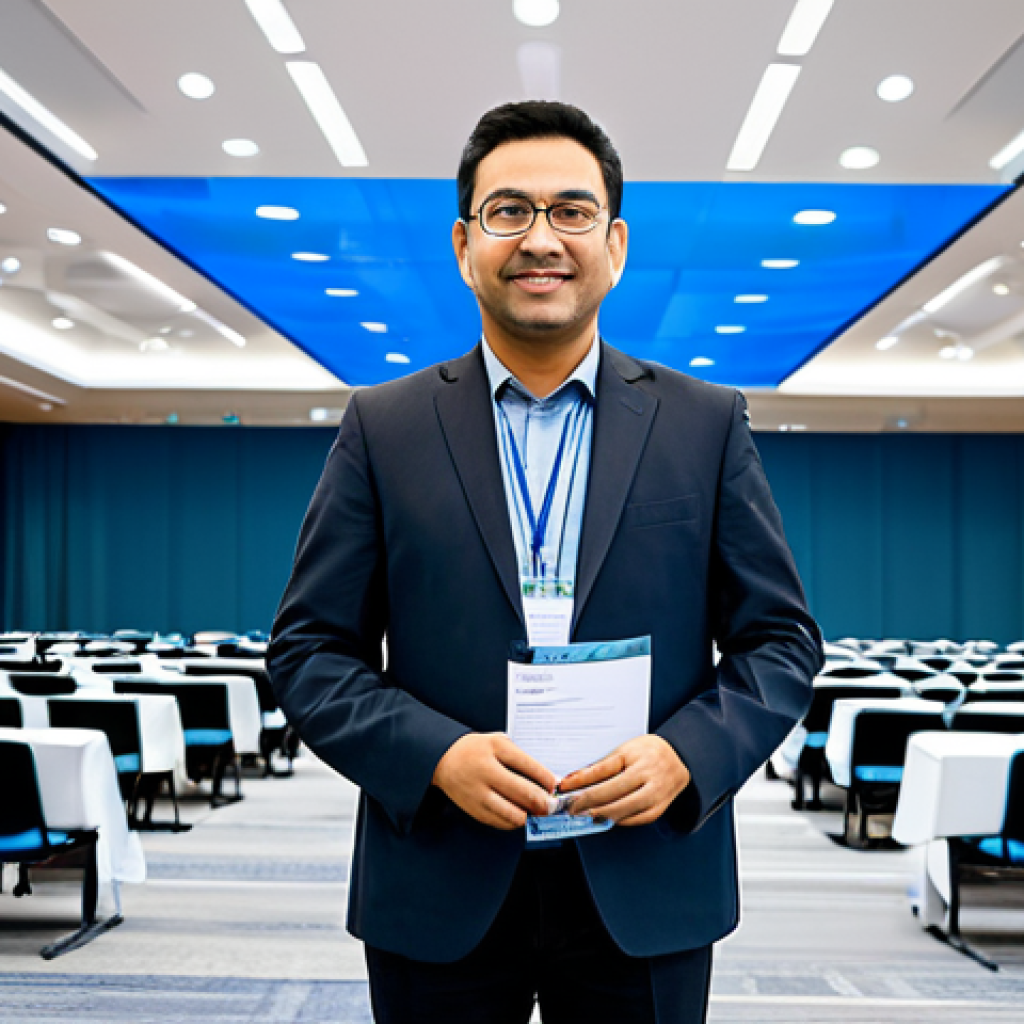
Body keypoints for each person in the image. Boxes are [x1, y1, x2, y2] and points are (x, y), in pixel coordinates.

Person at [268, 100, 822, 1024]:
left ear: (615, 244)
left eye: (570, 212)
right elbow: (309, 652)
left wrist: (687, 756)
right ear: (463, 243)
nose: (540, 239)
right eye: (508, 211)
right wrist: (437, 756)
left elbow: (780, 643)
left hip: (646, 876)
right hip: (440, 874)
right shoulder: (386, 426)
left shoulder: (704, 423)